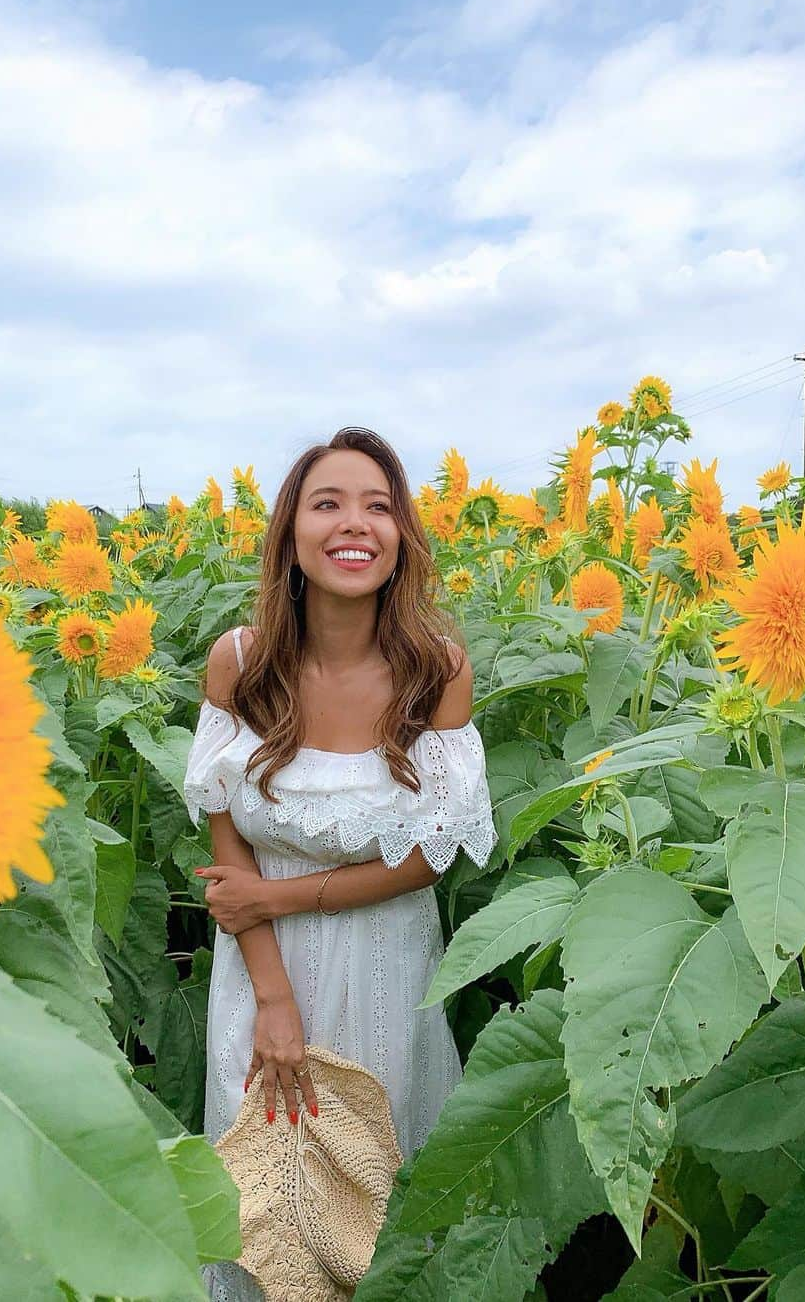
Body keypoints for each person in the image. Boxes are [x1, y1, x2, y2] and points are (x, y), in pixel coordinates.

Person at [182, 427, 496, 1301]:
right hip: (261, 972)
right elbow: (224, 835)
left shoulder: (439, 669)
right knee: (263, 1201)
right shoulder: (239, 664)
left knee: (380, 1204)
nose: (354, 524)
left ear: (401, 540)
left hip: (389, 963)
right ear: (290, 535)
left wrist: (276, 896)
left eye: (378, 506)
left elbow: (432, 855)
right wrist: (274, 1002)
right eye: (328, 503)